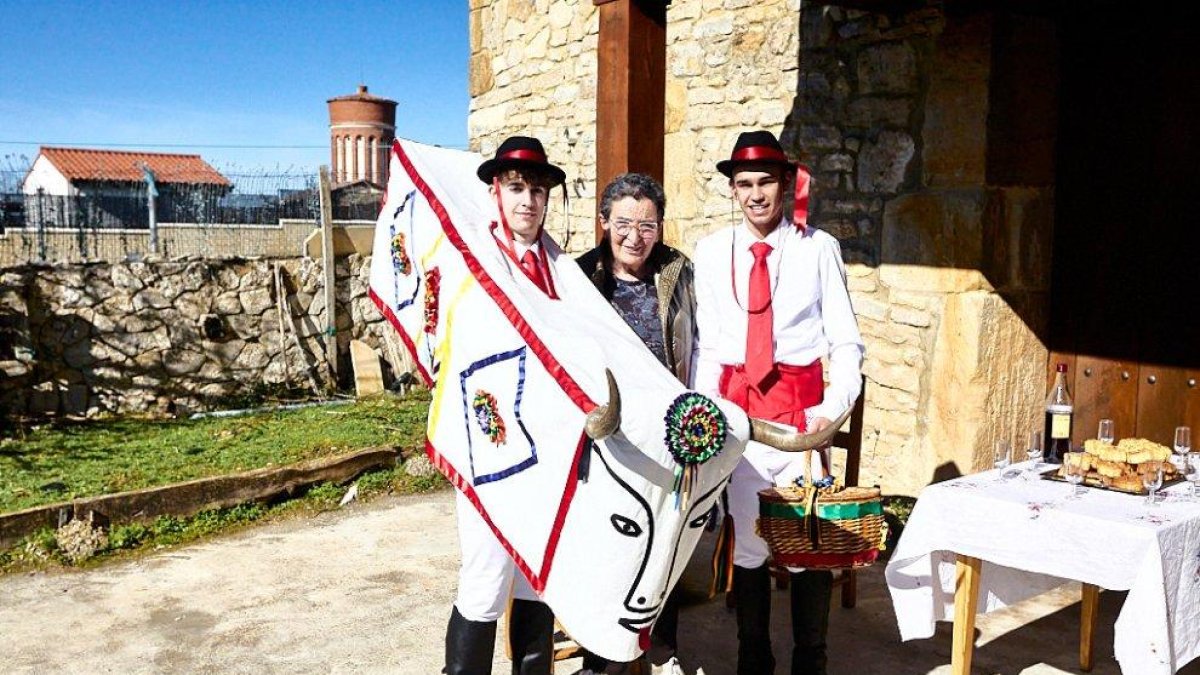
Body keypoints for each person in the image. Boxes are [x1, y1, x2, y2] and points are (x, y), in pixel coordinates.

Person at [692, 130, 864, 675]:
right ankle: (753, 659)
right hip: (739, 419)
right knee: (749, 544)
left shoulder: (818, 248)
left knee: (808, 543)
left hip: (801, 423)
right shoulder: (712, 250)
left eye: (766, 181)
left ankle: (810, 660)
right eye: (744, 184)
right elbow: (707, 345)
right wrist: (706, 413)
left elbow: (845, 341)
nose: (756, 194)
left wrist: (830, 411)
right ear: (733, 190)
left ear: (787, 183)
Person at [444, 135, 567, 675]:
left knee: (538, 578)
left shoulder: (562, 268)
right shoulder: (474, 260)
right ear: (496, 191)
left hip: (548, 444)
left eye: (537, 191)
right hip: (487, 442)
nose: (528, 201)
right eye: (517, 187)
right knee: (487, 577)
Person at [574, 172, 696, 675]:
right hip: (606, 438)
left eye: (648, 225)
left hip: (664, 436)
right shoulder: (580, 276)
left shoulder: (679, 273)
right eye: (623, 223)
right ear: (604, 223)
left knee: (664, 544)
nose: (634, 236)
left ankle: (662, 650)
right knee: (609, 551)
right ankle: (600, 655)